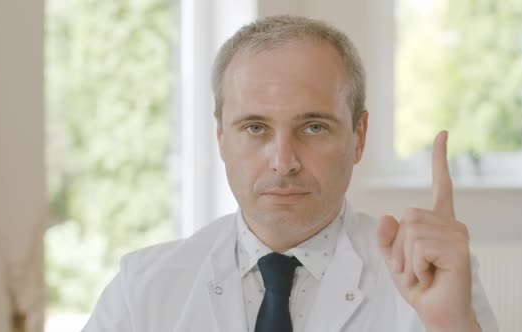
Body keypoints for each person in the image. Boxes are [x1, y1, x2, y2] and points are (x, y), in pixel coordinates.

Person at [83, 15, 498, 332]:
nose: (284, 161)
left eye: (313, 127)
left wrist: (452, 326)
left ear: (359, 136)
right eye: (255, 128)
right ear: (220, 137)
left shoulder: (429, 276)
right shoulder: (143, 289)